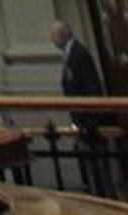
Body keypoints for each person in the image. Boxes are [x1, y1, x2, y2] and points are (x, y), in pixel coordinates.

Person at [52, 19, 112, 193]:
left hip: (89, 119)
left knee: (98, 164)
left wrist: (88, 117)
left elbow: (91, 87)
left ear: (62, 35)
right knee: (91, 164)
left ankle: (102, 195)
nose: (52, 39)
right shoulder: (70, 53)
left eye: (53, 35)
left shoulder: (78, 54)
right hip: (82, 117)